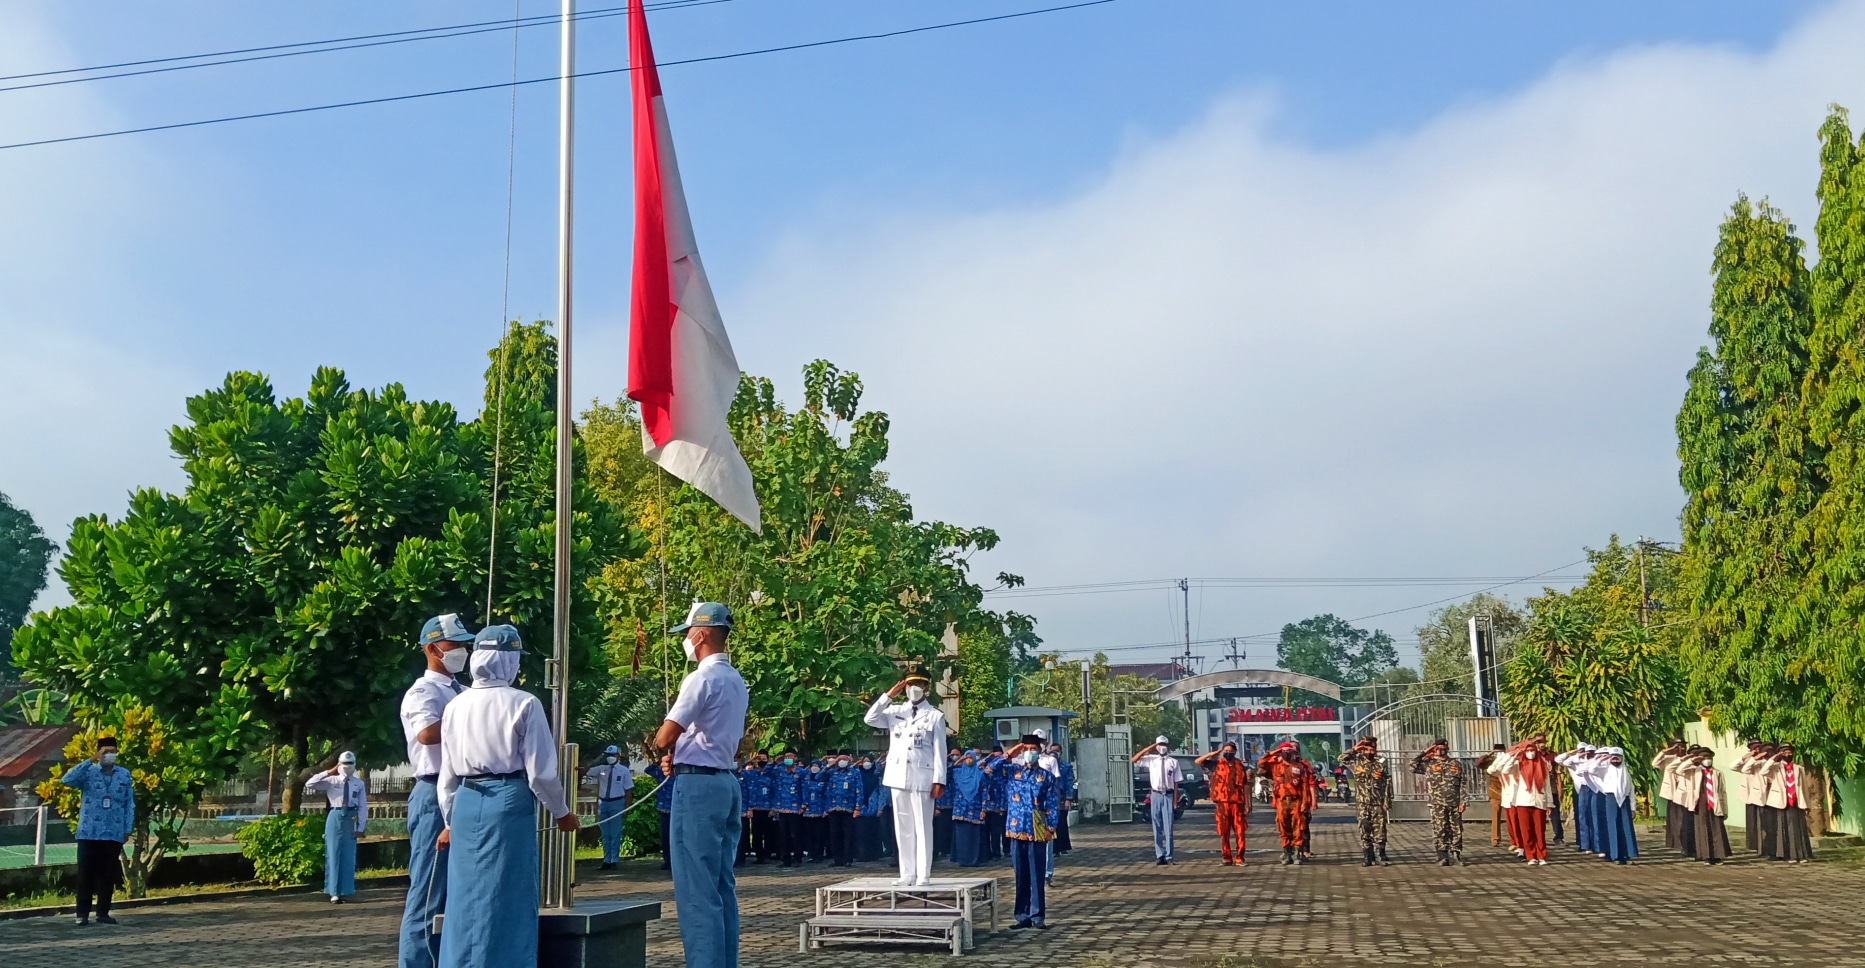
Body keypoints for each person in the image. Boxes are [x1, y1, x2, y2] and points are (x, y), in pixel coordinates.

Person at [436, 624, 578, 968]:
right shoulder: (524, 703)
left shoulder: (456, 705)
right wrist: (561, 812)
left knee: (464, 898)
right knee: (507, 894)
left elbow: (448, 773)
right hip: (508, 799)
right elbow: (541, 772)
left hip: (467, 802)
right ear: (510, 661)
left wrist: (449, 820)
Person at [654, 602, 750, 968]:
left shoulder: (702, 678)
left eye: (687, 633)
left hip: (696, 787)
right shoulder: (736, 679)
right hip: (724, 780)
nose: (686, 641)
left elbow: (666, 735)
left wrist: (669, 748)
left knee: (696, 890)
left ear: (700, 633)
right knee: (721, 886)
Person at [398, 613, 472, 966]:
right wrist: (470, 719)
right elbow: (426, 733)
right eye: (454, 645)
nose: (461, 651)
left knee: (456, 893)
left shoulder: (464, 690)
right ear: (432, 648)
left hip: (465, 790)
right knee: (428, 893)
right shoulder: (423, 691)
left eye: (463, 645)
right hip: (432, 792)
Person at [863, 663, 949, 886]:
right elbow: (870, 719)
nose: (913, 688)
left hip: (922, 777)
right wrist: (888, 696)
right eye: (909, 684)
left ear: (926, 686)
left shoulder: (935, 716)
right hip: (898, 775)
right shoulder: (895, 711)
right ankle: (907, 873)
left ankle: (923, 874)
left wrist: (939, 780)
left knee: (922, 827)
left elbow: (940, 750)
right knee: (903, 828)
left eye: (918, 684)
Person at [59, 735, 134, 926]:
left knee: (107, 875)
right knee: (86, 874)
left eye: (113, 751)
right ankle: (82, 914)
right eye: (105, 752)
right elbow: (66, 779)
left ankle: (103, 913)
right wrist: (91, 759)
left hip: (113, 831)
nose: (110, 755)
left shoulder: (124, 774)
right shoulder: (88, 773)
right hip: (89, 832)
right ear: (99, 753)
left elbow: (128, 803)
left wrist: (127, 829)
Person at [1001, 735, 1059, 930]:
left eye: (1033, 748)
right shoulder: (1012, 772)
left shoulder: (1046, 776)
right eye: (1026, 748)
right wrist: (1012, 751)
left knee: (1037, 874)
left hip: (1037, 828)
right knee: (1020, 875)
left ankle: (1037, 915)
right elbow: (987, 769)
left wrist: (1051, 827)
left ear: (1040, 750)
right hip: (1016, 829)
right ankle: (1022, 915)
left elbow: (1051, 804)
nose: (1029, 752)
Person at [304, 751, 368, 902]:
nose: (347, 766)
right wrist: (329, 771)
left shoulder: (358, 783)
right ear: (339, 764)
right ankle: (333, 892)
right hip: (335, 815)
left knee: (348, 855)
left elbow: (363, 807)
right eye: (344, 764)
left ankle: (345, 890)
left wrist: (360, 828)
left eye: (350, 764)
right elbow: (310, 783)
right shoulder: (331, 781)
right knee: (333, 853)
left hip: (350, 818)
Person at [1485, 736, 1552, 866]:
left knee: (1539, 830)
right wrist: (1512, 756)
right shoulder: (1518, 764)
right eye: (1528, 750)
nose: (1530, 752)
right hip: (1522, 801)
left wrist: (1549, 803)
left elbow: (1546, 785)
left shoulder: (1542, 764)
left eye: (1533, 750)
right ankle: (1530, 855)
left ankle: (1541, 855)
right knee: (1526, 830)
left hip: (1539, 801)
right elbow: (1503, 770)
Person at [1338, 736, 1393, 866]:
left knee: (1380, 829)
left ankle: (1380, 855)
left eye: (1372, 748)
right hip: (1363, 803)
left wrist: (1387, 801)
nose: (1369, 751)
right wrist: (1355, 749)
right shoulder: (1356, 761)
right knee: (1364, 829)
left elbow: (1387, 782)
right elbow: (1341, 758)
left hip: (1378, 802)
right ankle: (1367, 856)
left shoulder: (1381, 761)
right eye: (1366, 748)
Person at [1257, 742, 1315, 866]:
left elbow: (1304, 786)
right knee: (1283, 826)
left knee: (1298, 827)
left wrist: (1305, 802)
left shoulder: (1299, 767)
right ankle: (1287, 851)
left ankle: (1298, 851)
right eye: (1284, 751)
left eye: (1289, 751)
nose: (1286, 753)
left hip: (1296, 801)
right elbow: (1261, 763)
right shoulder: (1275, 766)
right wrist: (1274, 753)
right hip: (1281, 801)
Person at [1196, 741, 1251, 866]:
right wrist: (1214, 753)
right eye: (1225, 751)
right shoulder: (1216, 764)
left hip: (1237, 802)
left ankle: (1239, 858)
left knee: (1240, 831)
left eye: (1230, 751)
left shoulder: (1239, 765)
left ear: (1234, 752)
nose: (1228, 753)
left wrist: (1248, 804)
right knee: (1224, 831)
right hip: (1222, 802)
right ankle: (1226, 857)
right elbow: (1198, 761)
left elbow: (1245, 785)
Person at [1411, 739, 1465, 866]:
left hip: (1454, 802)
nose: (1441, 750)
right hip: (1437, 803)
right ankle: (1442, 855)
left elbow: (1463, 783)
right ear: (1434, 749)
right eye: (1438, 748)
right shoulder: (1428, 763)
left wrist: (1463, 801)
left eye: (1443, 748)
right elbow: (1412, 765)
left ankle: (1456, 853)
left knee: (1456, 829)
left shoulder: (1455, 763)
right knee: (1440, 829)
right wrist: (1425, 752)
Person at [1132, 735, 1182, 865]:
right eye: (1160, 745)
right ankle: (1160, 855)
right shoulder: (1151, 760)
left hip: (1168, 795)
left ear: (1168, 746)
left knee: (1168, 827)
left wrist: (1175, 800)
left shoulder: (1173, 762)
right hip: (1155, 795)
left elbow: (1176, 782)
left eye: (1164, 745)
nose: (1162, 747)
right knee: (1157, 827)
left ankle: (1169, 856)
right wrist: (1150, 747)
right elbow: (1134, 759)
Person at [1584, 746, 1638, 864]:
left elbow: (1631, 789)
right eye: (1613, 758)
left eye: (1617, 758)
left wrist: (1633, 807)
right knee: (1612, 826)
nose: (1615, 760)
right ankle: (1615, 855)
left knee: (1626, 827)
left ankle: (1627, 855)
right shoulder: (1605, 769)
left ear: (1622, 758)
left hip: (1625, 801)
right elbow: (1591, 770)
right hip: (1611, 799)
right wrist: (1600, 759)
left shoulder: (1625, 771)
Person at [1762, 745, 1815, 862]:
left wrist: (1807, 804)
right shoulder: (1775, 768)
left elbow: (1804, 788)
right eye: (1784, 753)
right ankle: (1787, 855)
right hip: (1782, 803)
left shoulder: (1798, 768)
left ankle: (1800, 855)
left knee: (1798, 830)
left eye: (1789, 752)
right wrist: (1774, 758)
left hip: (1796, 802)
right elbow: (1763, 771)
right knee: (1783, 830)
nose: (1787, 755)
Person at [1679, 746, 1731, 863]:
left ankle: (1717, 855)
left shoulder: (1717, 773)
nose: (1707, 760)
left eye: (1709, 757)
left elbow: (1722, 792)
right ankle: (1706, 855)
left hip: (1714, 803)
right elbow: (1679, 770)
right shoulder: (1693, 771)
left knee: (1716, 828)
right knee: (1702, 829)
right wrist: (1692, 760)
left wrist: (1725, 809)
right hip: (1700, 804)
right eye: (1704, 758)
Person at [587, 745, 633, 870]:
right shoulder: (601, 769)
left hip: (617, 802)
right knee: (605, 834)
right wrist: (597, 760)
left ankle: (614, 860)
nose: (610, 758)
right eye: (608, 755)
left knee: (615, 832)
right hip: (604, 803)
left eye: (613, 755)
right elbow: (585, 771)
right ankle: (606, 860)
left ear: (618, 756)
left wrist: (627, 807)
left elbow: (628, 790)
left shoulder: (624, 770)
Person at [949, 750, 987, 866]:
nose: (969, 760)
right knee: (961, 837)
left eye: (971, 758)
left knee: (974, 837)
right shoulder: (957, 773)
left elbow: (984, 792)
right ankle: (962, 860)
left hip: (975, 809)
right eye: (967, 757)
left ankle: (974, 860)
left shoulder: (980, 774)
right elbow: (946, 773)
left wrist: (983, 809)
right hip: (960, 810)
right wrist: (959, 761)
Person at [1652, 738, 1688, 852]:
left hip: (1685, 792)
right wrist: (1665, 751)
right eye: (1678, 746)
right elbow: (1654, 763)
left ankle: (1685, 843)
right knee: (1674, 819)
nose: (1681, 748)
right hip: (1673, 792)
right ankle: (1676, 842)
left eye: (1683, 746)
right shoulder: (1668, 759)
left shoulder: (1688, 759)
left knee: (1684, 818)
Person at [826, 752, 861, 867]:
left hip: (848, 808)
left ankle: (848, 859)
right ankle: (837, 859)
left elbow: (859, 790)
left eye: (844, 759)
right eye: (840, 759)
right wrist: (832, 764)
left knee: (848, 835)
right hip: (833, 807)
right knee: (835, 835)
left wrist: (857, 807)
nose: (842, 761)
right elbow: (818, 777)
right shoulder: (832, 772)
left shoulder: (854, 772)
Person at [770, 751, 804, 867]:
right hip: (782, 808)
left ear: (795, 758)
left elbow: (805, 788)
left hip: (795, 808)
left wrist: (804, 805)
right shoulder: (780, 770)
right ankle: (785, 859)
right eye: (786, 757)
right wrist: (775, 761)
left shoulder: (801, 772)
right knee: (783, 835)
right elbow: (768, 772)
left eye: (791, 757)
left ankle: (797, 858)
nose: (788, 759)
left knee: (795, 834)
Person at [1473, 743, 1508, 849]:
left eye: (1501, 751)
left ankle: (1515, 840)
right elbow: (1478, 764)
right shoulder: (1491, 761)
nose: (1499, 754)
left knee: (1512, 818)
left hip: (1509, 791)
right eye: (1497, 752)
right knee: (1495, 817)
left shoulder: (1508, 760)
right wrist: (1490, 754)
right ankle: (1495, 839)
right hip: (1495, 791)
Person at [735, 753, 768, 866]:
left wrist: (750, 808)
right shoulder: (729, 774)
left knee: (743, 835)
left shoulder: (746, 774)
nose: (736, 761)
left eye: (738, 759)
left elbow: (751, 791)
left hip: (743, 810)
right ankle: (733, 858)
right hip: (731, 809)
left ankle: (741, 859)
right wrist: (750, 760)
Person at [855, 754, 888, 862]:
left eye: (868, 761)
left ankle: (874, 854)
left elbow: (882, 791)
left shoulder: (876, 775)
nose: (866, 763)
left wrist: (880, 807)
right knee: (862, 833)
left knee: (874, 832)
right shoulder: (859, 774)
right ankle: (863, 854)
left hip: (873, 808)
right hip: (861, 808)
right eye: (864, 761)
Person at [646, 757, 676, 870]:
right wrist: (659, 761)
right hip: (664, 809)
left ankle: (675, 861)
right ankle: (667, 860)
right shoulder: (661, 774)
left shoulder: (678, 775)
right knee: (665, 836)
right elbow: (648, 769)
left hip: (676, 809)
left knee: (676, 837)